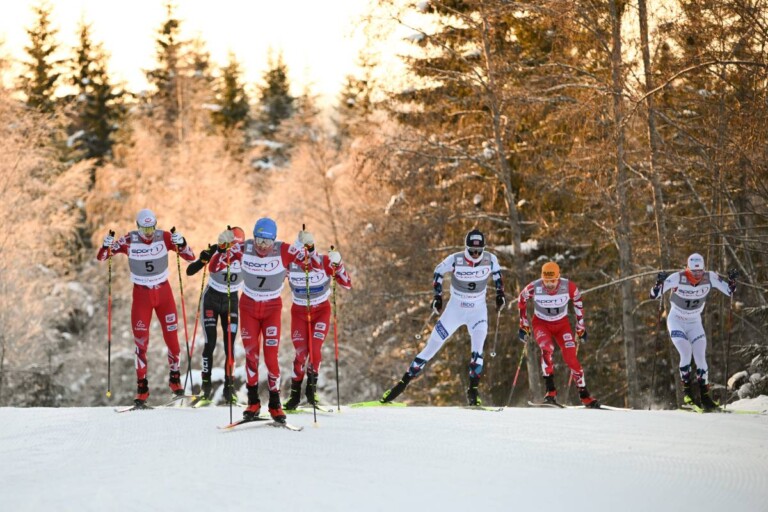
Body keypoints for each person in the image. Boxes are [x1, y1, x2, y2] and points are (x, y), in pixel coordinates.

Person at [380, 229, 506, 406]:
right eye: (472, 250)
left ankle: (473, 393)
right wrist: (437, 297)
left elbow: (498, 276)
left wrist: (500, 294)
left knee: (478, 349)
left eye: (480, 251)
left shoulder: (490, 259)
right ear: (466, 248)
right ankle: (400, 386)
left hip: (478, 311)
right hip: (454, 310)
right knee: (430, 349)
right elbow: (438, 271)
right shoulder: (456, 259)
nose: (476, 254)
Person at [97, 209, 195, 406]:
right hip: (141, 295)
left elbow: (190, 257)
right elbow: (102, 257)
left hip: (164, 293)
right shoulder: (129, 240)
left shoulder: (165, 237)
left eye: (152, 228)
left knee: (173, 341)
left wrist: (182, 243)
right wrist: (105, 246)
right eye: (145, 229)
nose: (149, 233)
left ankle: (175, 380)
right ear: (138, 227)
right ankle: (142, 388)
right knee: (141, 343)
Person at [233, 218, 315, 422]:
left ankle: (275, 404)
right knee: (251, 354)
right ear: (253, 237)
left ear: (274, 240)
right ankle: (253, 403)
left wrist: (310, 247)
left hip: (271, 309)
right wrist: (223, 245)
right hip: (248, 307)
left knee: (271, 357)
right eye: (259, 241)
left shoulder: (284, 250)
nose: (262, 246)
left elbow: (309, 265)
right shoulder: (244, 248)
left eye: (267, 242)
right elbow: (217, 265)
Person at [650, 253, 737, 411]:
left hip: (695, 323)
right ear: (687, 269)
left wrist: (732, 281)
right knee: (686, 352)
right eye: (693, 272)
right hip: (676, 321)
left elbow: (730, 292)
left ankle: (705, 397)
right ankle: (687, 394)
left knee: (701, 358)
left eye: (700, 272)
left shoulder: (710, 277)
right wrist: (659, 283)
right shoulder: (677, 278)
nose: (697, 276)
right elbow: (654, 295)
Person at [285, 231, 352, 410]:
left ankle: (311, 391)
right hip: (299, 312)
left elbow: (347, 283)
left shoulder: (322, 262)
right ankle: (294, 395)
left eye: (305, 256)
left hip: (321, 311)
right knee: (300, 353)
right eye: (299, 257)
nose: (303, 261)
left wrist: (339, 264)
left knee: (315, 350)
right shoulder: (289, 264)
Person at [518, 261, 599, 408]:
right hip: (541, 324)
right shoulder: (534, 287)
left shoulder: (568, 286)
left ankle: (585, 395)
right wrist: (523, 323)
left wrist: (580, 326)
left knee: (571, 358)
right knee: (547, 348)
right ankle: (551, 392)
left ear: (558, 278)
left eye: (553, 281)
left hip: (562, 325)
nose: (549, 285)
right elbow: (521, 299)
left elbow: (578, 302)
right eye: (546, 281)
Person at [185, 227, 245, 406]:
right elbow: (190, 271)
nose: (233, 248)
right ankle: (206, 389)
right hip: (211, 299)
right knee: (210, 343)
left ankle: (229, 390)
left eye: (237, 245)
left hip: (231, 300)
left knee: (229, 345)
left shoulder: (247, 255)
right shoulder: (217, 251)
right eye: (231, 244)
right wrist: (204, 257)